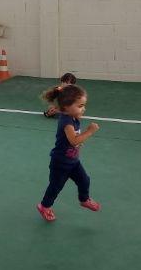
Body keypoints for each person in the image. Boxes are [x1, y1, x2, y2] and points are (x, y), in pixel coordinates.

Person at [36, 83, 101, 221]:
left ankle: (84, 199)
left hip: (73, 161)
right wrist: (90, 131)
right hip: (60, 163)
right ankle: (44, 206)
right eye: (80, 106)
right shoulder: (66, 122)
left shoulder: (72, 116)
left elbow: (75, 136)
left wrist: (77, 112)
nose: (84, 109)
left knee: (85, 180)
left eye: (84, 105)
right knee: (55, 187)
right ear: (66, 107)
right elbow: (74, 141)